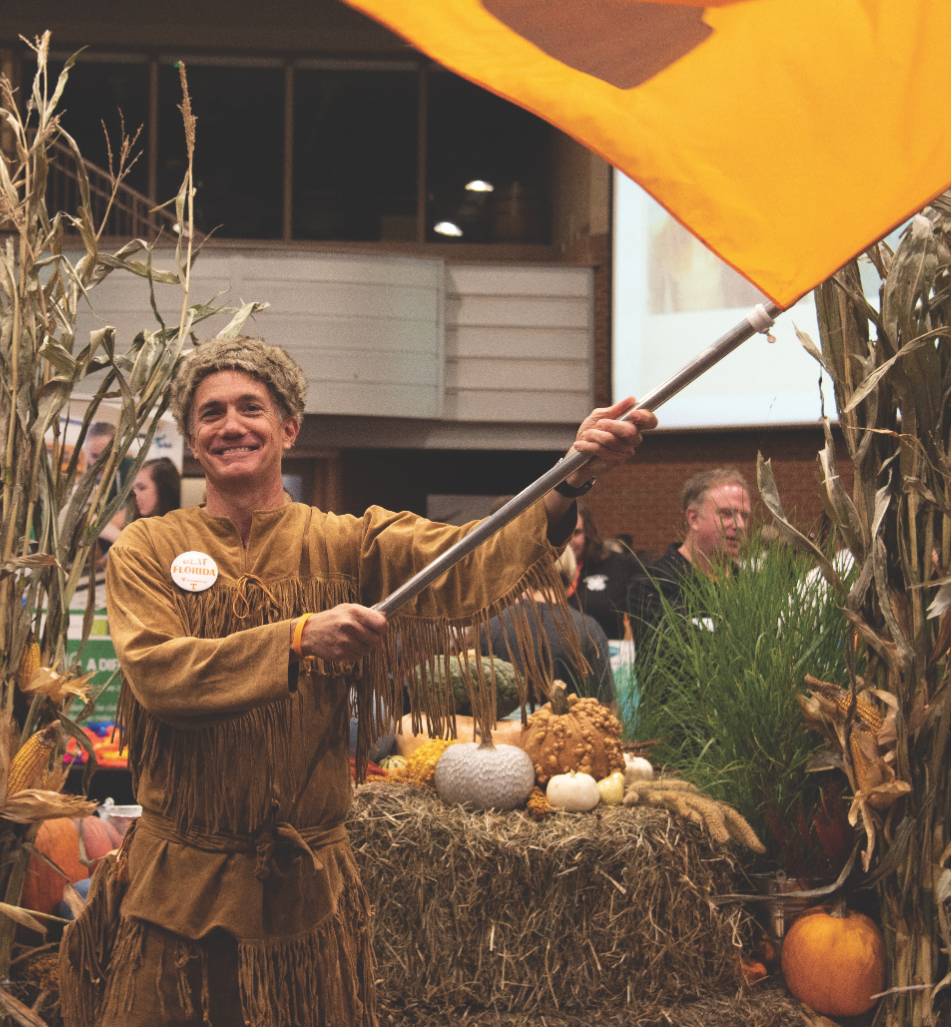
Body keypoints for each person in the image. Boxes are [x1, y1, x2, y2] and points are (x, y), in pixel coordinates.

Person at [60, 336, 649, 1027]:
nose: (230, 425)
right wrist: (299, 638)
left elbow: (466, 557)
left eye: (251, 407)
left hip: (303, 899)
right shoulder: (147, 549)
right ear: (192, 439)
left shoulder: (346, 542)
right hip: (176, 893)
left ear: (289, 427)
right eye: (210, 413)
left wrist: (567, 482)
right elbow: (162, 673)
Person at [625, 467, 752, 638]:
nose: (740, 525)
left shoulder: (750, 584)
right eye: (727, 514)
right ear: (694, 518)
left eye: (744, 516)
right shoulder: (653, 585)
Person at [487, 545, 615, 704]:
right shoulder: (588, 629)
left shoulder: (490, 624)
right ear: (571, 573)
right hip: (564, 727)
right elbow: (603, 705)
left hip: (499, 728)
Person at [567, 502, 640, 637]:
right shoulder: (539, 571)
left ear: (588, 533)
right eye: (562, 533)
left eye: (576, 533)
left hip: (612, 652)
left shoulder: (620, 566)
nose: (569, 540)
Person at [97, 457, 183, 548]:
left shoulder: (176, 531)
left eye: (142, 488)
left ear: (164, 489)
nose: (134, 496)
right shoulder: (136, 513)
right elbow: (96, 525)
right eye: (134, 489)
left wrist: (121, 539)